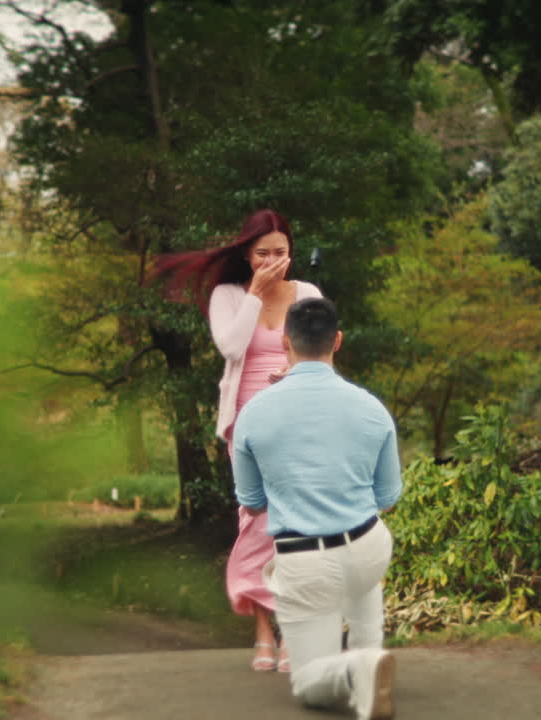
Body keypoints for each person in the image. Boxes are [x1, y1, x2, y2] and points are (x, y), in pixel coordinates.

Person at [154, 209, 321, 672]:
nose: (273, 261)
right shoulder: (228, 295)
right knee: (256, 521)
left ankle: (292, 631)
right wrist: (255, 294)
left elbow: (321, 352)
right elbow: (230, 347)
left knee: (297, 523)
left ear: (292, 251)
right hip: (247, 423)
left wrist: (297, 370)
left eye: (281, 253)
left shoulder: (307, 294)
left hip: (299, 420)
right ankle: (264, 631)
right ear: (247, 256)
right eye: (262, 254)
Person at [232, 297, 402, 720]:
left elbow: (251, 502)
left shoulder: (253, 414)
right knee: (363, 579)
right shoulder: (373, 409)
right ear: (338, 341)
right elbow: (387, 496)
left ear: (284, 343)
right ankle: (367, 655)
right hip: (367, 546)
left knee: (311, 689)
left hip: (304, 558)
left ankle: (355, 665)